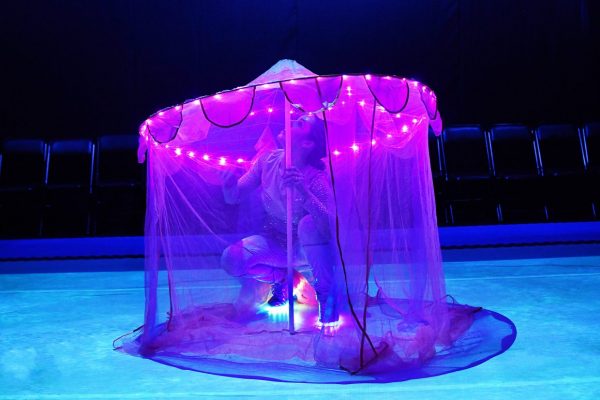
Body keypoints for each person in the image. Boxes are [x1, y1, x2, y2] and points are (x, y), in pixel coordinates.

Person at [220, 114, 339, 324]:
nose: (290, 121)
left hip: (305, 251)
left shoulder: (315, 177)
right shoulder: (267, 161)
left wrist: (304, 192)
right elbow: (233, 197)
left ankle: (325, 294)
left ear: (307, 143)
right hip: (275, 243)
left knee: (308, 224)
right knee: (232, 258)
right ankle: (283, 280)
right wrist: (228, 185)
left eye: (299, 124)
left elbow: (328, 227)